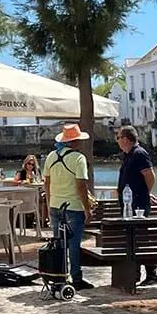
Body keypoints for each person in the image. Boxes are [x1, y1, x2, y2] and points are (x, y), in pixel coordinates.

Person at [42, 123, 93, 291]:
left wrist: (50, 205)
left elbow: (47, 184)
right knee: (73, 244)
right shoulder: (79, 159)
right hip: (73, 206)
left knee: (59, 244)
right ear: (76, 142)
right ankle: (76, 278)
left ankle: (60, 276)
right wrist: (87, 209)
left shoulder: (51, 156)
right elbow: (81, 186)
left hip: (55, 205)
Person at [116, 125, 157, 286]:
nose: (117, 141)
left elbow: (150, 175)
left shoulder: (139, 154)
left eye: (118, 137)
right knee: (133, 239)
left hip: (138, 205)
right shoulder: (128, 155)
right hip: (128, 204)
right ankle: (134, 274)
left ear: (126, 139)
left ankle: (151, 275)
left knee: (142, 239)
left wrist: (146, 194)